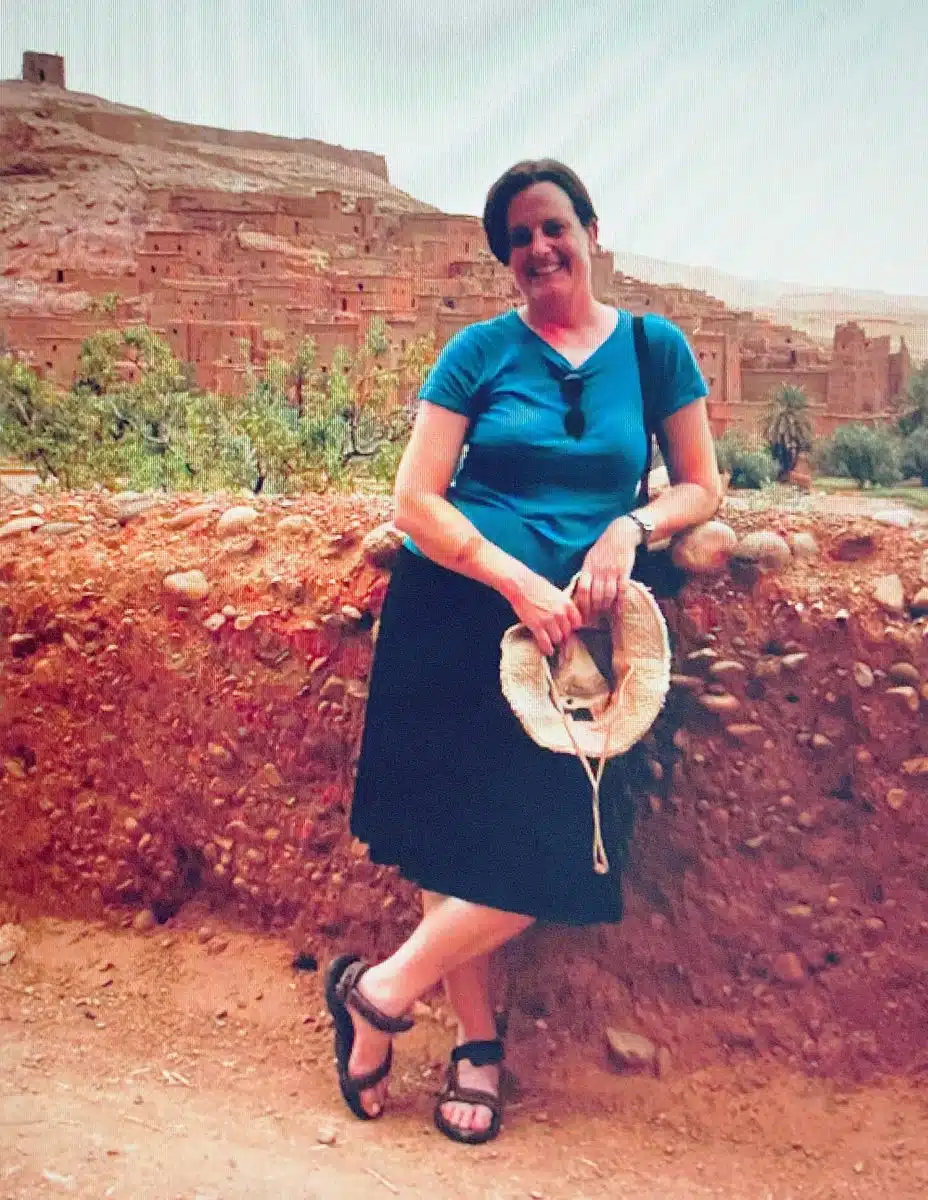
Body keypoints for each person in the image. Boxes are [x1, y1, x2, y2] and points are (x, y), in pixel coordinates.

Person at [325, 159, 722, 1145]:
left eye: (553, 227)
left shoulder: (653, 348)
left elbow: (699, 485)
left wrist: (629, 529)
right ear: (505, 258)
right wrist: (516, 583)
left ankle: (377, 994)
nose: (538, 249)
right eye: (518, 239)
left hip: (580, 634)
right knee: (449, 843)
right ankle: (476, 1047)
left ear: (590, 230)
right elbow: (415, 498)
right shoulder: (477, 352)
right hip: (458, 610)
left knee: (563, 852)